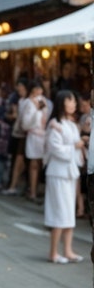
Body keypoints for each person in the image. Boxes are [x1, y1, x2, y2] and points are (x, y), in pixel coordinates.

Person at [43, 90, 84, 263]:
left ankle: (67, 250)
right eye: (70, 101)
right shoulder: (55, 124)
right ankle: (53, 252)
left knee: (68, 212)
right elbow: (55, 148)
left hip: (69, 171)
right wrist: (75, 146)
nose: (73, 104)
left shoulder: (72, 124)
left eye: (74, 101)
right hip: (58, 172)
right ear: (62, 103)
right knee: (59, 211)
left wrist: (78, 147)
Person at [18, 80, 51, 203]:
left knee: (41, 163)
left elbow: (47, 116)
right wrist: (36, 111)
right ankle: (32, 191)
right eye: (36, 89)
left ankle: (36, 188)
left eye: (40, 89)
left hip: (43, 135)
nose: (38, 91)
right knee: (33, 164)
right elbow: (25, 123)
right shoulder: (28, 102)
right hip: (33, 135)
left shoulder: (44, 101)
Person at [1, 77, 30, 196]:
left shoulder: (28, 101)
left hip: (25, 133)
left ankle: (15, 184)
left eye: (22, 88)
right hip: (17, 132)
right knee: (15, 160)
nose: (20, 90)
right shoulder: (18, 99)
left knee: (20, 161)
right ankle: (13, 184)